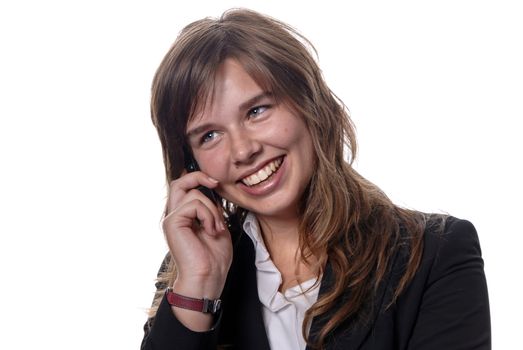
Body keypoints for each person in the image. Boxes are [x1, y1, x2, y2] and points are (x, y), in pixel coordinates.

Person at [140, 8, 490, 350]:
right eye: (209, 136)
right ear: (191, 165)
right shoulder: (190, 272)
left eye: (257, 111)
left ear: (309, 102)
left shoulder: (435, 254)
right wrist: (200, 285)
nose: (243, 151)